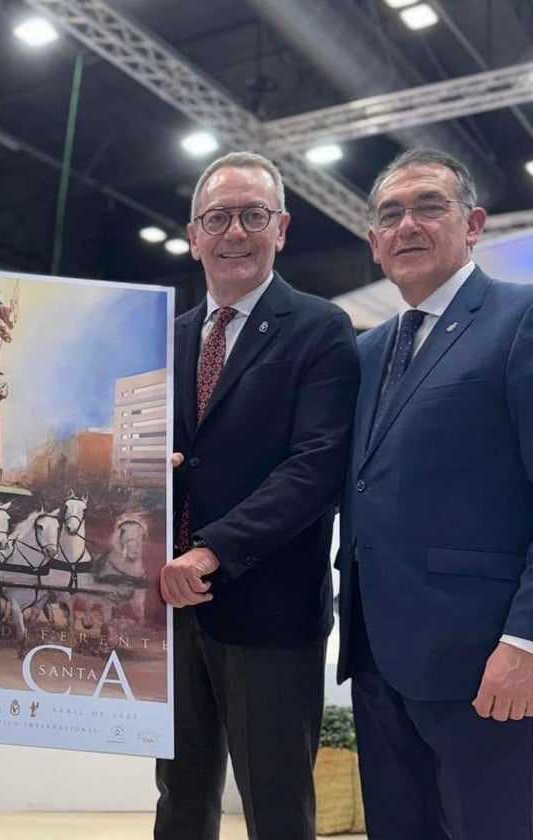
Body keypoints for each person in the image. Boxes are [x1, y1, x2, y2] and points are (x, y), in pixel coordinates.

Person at [155, 151, 359, 840]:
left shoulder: (321, 329)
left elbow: (315, 469)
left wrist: (212, 552)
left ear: (282, 228)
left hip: (270, 616)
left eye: (252, 215)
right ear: (194, 235)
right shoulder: (170, 336)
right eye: (217, 217)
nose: (234, 232)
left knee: (276, 810)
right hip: (169, 610)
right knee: (179, 803)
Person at [336, 148, 533, 840]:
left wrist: (526, 641)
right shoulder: (366, 351)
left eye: (429, 206)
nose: (407, 225)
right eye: (390, 214)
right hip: (378, 659)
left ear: (474, 223)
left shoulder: (521, 319)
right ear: (374, 243)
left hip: (483, 667)